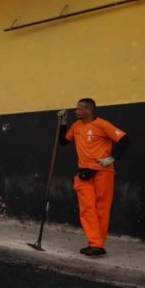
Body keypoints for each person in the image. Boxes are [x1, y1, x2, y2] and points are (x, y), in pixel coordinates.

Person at [59, 98, 131, 257]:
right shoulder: (76, 126)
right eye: (76, 109)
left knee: (101, 209)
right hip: (83, 173)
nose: (76, 111)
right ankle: (95, 243)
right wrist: (63, 122)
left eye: (79, 109)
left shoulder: (102, 124)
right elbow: (63, 141)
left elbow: (125, 139)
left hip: (103, 173)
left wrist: (112, 158)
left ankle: (97, 245)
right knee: (87, 209)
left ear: (89, 110)